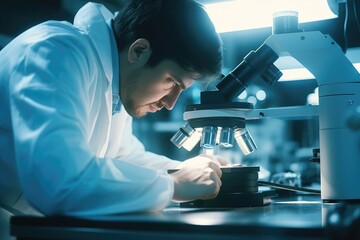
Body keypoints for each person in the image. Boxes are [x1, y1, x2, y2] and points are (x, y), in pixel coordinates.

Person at [0, 0, 225, 217]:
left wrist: (187, 173)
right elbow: (58, 182)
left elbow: (120, 158)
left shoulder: (114, 80)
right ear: (138, 50)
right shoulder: (55, 52)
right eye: (172, 82)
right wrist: (173, 185)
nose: (170, 103)